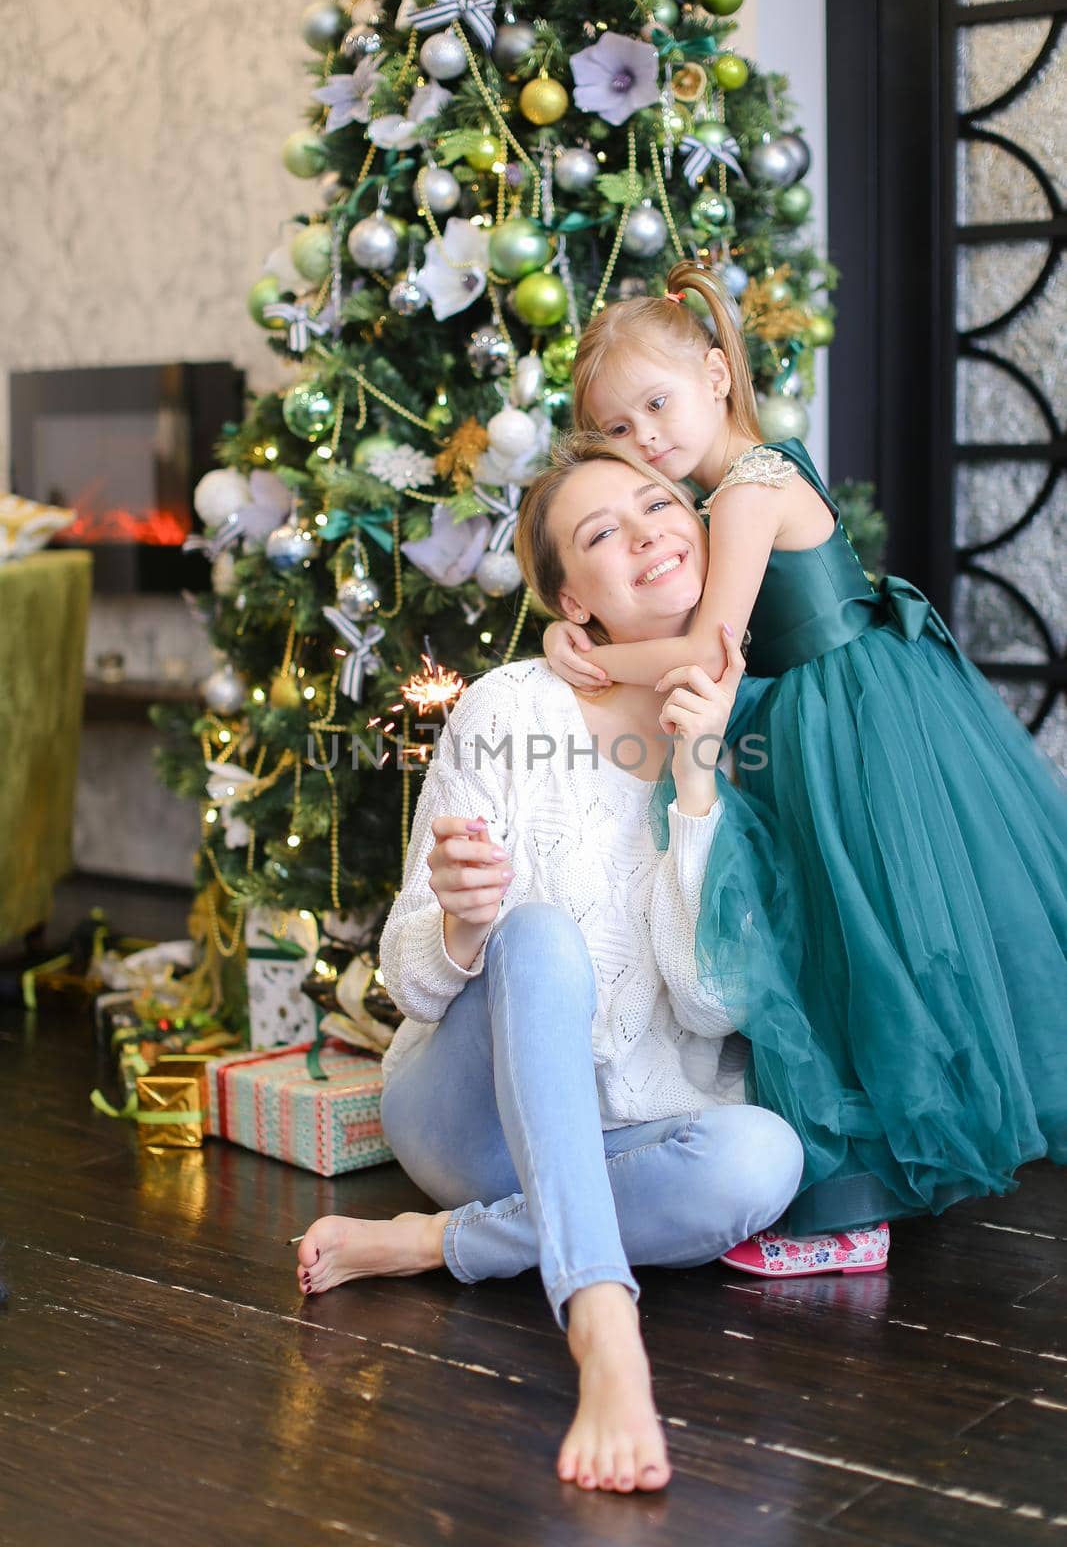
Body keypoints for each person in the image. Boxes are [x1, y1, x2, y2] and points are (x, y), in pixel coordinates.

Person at [295, 433, 805, 1493]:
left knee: (763, 1157)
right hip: (467, 1115)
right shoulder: (511, 707)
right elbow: (408, 975)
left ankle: (440, 1244)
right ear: (575, 604)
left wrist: (700, 783)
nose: (648, 534)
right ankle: (601, 1324)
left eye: (659, 504)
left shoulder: (760, 735)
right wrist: (463, 929)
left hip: (624, 1140)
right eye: (600, 533)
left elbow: (716, 1008)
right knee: (536, 933)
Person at [540, 258, 1067, 1264]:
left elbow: (710, 652)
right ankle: (862, 1184)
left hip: (839, 727)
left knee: (845, 950)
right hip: (828, 709)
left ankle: (849, 1211)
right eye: (616, 428)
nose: (644, 438)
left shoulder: (745, 492)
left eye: (655, 404)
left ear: (712, 372)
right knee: (845, 947)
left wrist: (583, 654)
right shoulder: (743, 477)